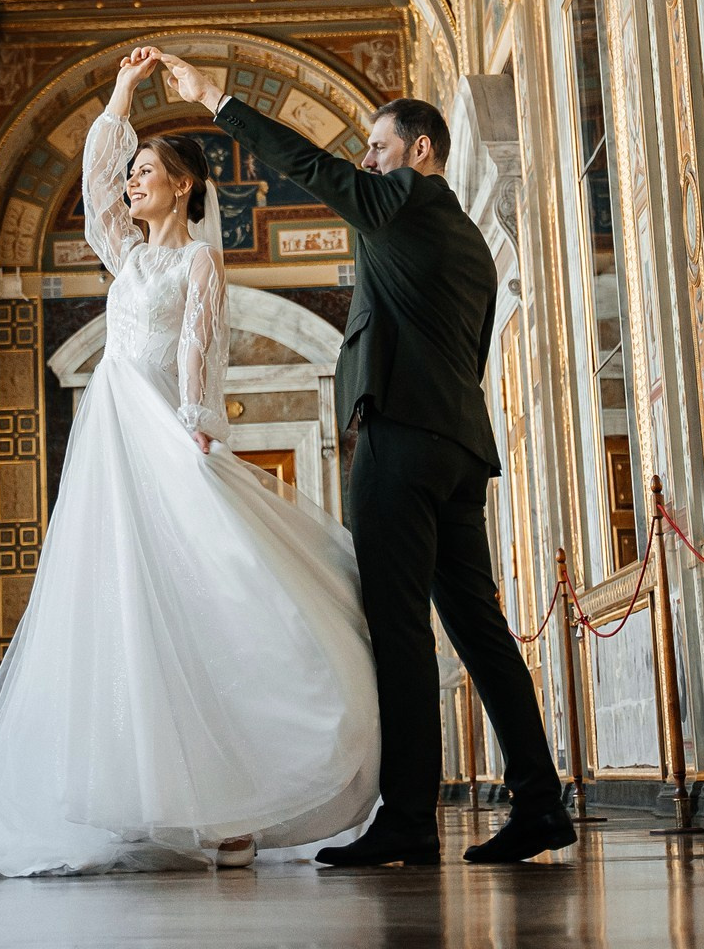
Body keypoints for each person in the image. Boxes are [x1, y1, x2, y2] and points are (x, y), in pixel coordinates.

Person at [0, 48, 379, 878]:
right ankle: (139, 798)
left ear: (182, 187)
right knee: (120, 596)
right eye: (133, 171)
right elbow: (95, 181)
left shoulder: (195, 260)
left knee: (208, 585)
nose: (132, 181)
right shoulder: (127, 255)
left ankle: (234, 803)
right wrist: (121, 94)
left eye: (147, 172)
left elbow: (199, 349)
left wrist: (199, 425)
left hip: (162, 423)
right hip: (111, 432)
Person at [161, 51, 575, 869]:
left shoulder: (404, 198)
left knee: (398, 629)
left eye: (379, 148)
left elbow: (313, 168)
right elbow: (469, 355)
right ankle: (538, 803)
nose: (368, 163)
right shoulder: (469, 241)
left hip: (400, 440)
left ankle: (409, 818)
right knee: (480, 630)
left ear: (419, 150)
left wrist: (216, 98)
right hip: (458, 447)